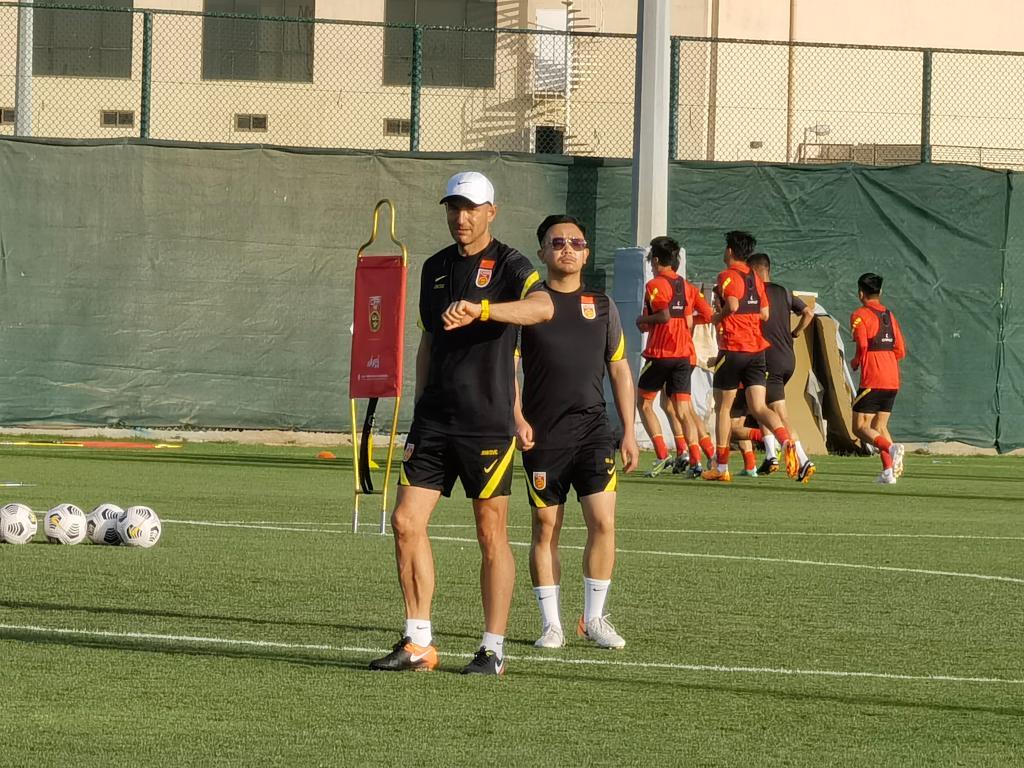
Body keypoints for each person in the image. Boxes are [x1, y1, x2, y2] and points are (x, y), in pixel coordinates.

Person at [369, 171, 554, 676]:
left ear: (491, 211)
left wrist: (484, 309)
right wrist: (420, 404)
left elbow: (542, 308)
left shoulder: (511, 264)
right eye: (454, 207)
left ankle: (493, 648)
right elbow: (428, 341)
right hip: (434, 420)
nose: (461, 217)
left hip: (486, 422)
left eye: (471, 208)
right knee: (405, 523)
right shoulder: (434, 267)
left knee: (490, 534)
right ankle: (419, 641)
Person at [516, 214, 640, 650]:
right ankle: (551, 624)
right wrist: (517, 416)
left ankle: (594, 619)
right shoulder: (530, 305)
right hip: (543, 434)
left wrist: (629, 430)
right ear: (542, 252)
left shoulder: (602, 306)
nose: (567, 248)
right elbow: (508, 366)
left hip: (593, 431)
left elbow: (620, 369)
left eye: (576, 242)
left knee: (603, 521)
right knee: (545, 526)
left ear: (586, 254)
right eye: (558, 242)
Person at [704, 231, 795, 482]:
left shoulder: (727, 276)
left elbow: (732, 305)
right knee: (759, 407)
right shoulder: (755, 277)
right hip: (757, 351)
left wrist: (717, 316)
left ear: (730, 251)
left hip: (734, 348)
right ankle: (786, 441)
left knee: (724, 409)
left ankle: (721, 467)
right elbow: (764, 313)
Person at [634, 237, 704, 477]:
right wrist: (685, 323)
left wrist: (643, 320)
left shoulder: (655, 284)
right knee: (681, 409)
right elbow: (707, 314)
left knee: (644, 403)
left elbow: (663, 315)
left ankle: (663, 455)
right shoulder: (687, 286)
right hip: (683, 355)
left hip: (660, 355)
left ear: (656, 260)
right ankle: (695, 460)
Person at [748, 252, 817, 482]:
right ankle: (771, 455)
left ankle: (803, 459)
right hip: (787, 357)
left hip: (769, 359)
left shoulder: (755, 292)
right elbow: (808, 312)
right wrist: (795, 333)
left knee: (778, 413)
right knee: (760, 406)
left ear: (754, 271)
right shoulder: (785, 291)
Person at [850, 272, 907, 484]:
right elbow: (900, 350)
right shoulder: (890, 316)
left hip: (873, 377)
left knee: (859, 427)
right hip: (892, 378)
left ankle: (891, 448)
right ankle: (888, 473)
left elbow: (863, 344)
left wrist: (856, 361)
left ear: (860, 293)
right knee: (879, 427)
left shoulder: (859, 315)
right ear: (880, 292)